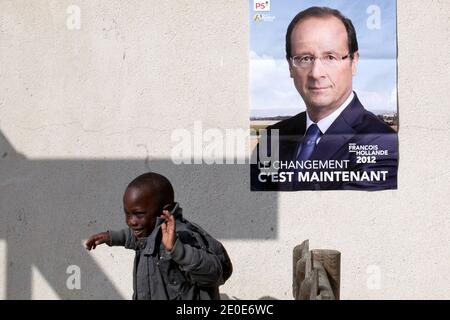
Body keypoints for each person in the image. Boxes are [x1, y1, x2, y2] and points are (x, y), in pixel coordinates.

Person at [251, 6, 398, 191]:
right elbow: (250, 211)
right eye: (304, 58)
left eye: (330, 57)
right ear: (290, 66)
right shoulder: (272, 137)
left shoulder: (382, 142)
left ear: (354, 62)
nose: (316, 73)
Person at [85, 172, 232, 300]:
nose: (130, 221)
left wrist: (178, 250)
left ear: (164, 212)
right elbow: (138, 240)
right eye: (127, 213)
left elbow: (214, 274)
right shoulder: (150, 231)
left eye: (138, 214)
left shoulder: (182, 236)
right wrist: (112, 237)